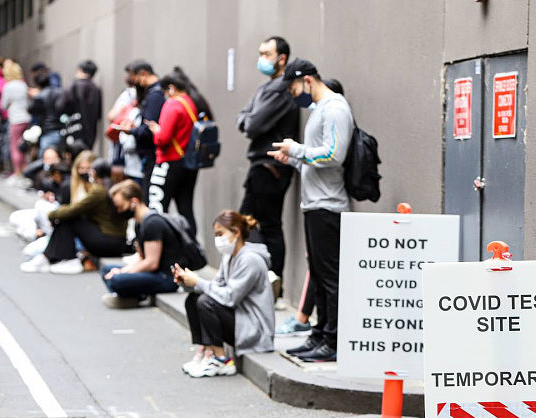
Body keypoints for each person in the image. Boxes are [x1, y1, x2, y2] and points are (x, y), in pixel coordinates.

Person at [268, 59, 354, 362]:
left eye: (293, 88)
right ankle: (319, 334)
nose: (293, 95)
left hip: (328, 205)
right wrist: (291, 158)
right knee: (319, 274)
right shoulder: (321, 110)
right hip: (316, 203)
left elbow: (333, 154)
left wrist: (297, 150)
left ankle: (332, 341)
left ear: (306, 80)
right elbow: (319, 158)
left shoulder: (334, 108)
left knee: (329, 277)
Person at [236, 36, 298, 306]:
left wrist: (249, 119)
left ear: (281, 58)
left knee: (265, 223)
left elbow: (251, 124)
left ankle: (275, 284)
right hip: (261, 166)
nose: (261, 58)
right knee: (247, 222)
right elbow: (243, 117)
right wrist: (249, 118)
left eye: (266, 53)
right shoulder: (267, 88)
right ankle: (264, 280)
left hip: (271, 166)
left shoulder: (282, 90)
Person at [175, 210, 275, 378]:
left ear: (236, 231)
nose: (218, 239)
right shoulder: (229, 256)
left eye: (220, 234)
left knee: (205, 302)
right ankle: (206, 352)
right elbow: (215, 287)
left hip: (255, 330)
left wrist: (198, 281)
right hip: (240, 320)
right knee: (194, 299)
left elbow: (230, 297)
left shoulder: (250, 260)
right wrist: (187, 283)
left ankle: (222, 360)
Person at [20, 151, 128, 274]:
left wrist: (51, 215)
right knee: (68, 218)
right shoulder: (106, 188)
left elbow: (75, 209)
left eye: (89, 169)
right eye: (82, 168)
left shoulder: (99, 191)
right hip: (113, 241)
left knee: (70, 218)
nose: (86, 173)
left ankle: (65, 259)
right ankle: (50, 257)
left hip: (109, 243)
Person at [144, 67, 214, 234]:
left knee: (157, 208)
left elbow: (163, 139)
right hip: (187, 163)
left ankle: (157, 251)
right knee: (186, 209)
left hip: (168, 162)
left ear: (171, 88)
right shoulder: (191, 102)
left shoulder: (173, 105)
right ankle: (191, 252)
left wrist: (155, 131)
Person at [100, 180, 183, 308]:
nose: (119, 210)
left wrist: (122, 272)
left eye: (121, 206)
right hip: (154, 273)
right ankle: (133, 296)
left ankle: (132, 296)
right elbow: (142, 258)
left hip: (166, 278)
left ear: (134, 202)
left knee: (117, 279)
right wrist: (123, 271)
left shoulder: (152, 223)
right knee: (107, 270)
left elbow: (151, 263)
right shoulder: (140, 223)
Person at [122, 60, 163, 195]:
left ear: (143, 74)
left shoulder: (155, 95)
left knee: (150, 199)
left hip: (152, 154)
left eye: (136, 78)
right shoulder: (155, 93)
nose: (136, 83)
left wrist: (132, 130)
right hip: (154, 154)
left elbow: (148, 129)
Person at [56, 60, 102, 149]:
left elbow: (60, 106)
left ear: (80, 70)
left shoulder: (73, 86)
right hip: (91, 131)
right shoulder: (96, 89)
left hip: (73, 129)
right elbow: (99, 114)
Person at [0, 61, 31, 182]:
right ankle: (24, 171)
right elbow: (28, 103)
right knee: (23, 146)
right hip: (26, 118)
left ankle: (18, 173)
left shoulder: (8, 86)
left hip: (15, 119)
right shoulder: (23, 85)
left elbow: (3, 105)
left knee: (15, 147)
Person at [28, 71, 63, 154]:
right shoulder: (59, 92)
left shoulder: (40, 97)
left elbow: (32, 111)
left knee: (45, 157)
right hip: (60, 128)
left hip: (47, 130)